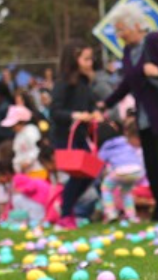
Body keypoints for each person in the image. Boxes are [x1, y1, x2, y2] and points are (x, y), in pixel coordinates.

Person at [102, 4, 158, 223]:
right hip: (145, 121)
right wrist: (105, 104)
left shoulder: (155, 41)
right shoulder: (127, 52)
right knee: (152, 167)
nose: (119, 35)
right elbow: (128, 82)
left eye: (121, 29)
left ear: (135, 25)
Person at [50, 41, 102, 229]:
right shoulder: (63, 83)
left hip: (80, 135)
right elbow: (55, 111)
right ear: (74, 60)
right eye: (86, 59)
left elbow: (89, 104)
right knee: (78, 175)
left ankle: (66, 207)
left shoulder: (84, 82)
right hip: (66, 137)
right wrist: (75, 115)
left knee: (90, 171)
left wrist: (94, 112)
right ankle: (65, 213)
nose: (90, 62)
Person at [98, 119, 146, 223]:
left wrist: (98, 175)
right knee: (126, 192)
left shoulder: (105, 147)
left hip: (121, 171)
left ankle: (111, 213)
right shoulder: (124, 140)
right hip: (137, 171)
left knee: (106, 188)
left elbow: (99, 163)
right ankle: (132, 216)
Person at [1, 105, 46, 180]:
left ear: (21, 122)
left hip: (37, 170)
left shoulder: (31, 131)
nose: (13, 128)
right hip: (26, 173)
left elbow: (36, 148)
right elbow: (18, 153)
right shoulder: (18, 136)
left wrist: (28, 162)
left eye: (14, 125)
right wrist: (17, 166)